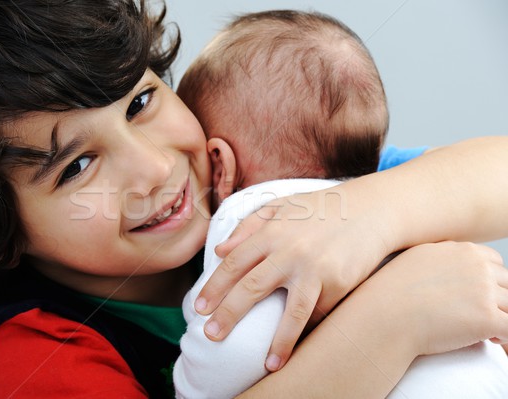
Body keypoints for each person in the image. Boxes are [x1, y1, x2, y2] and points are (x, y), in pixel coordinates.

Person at [0, 1, 508, 398]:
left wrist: (373, 214)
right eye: (78, 165)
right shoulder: (30, 352)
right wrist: (395, 323)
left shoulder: (253, 177)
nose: (156, 168)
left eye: (140, 104)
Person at [173, 10, 508, 399]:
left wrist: (189, 384)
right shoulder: (381, 182)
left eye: (140, 104)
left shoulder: (247, 215)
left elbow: (234, 351)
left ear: (220, 165)